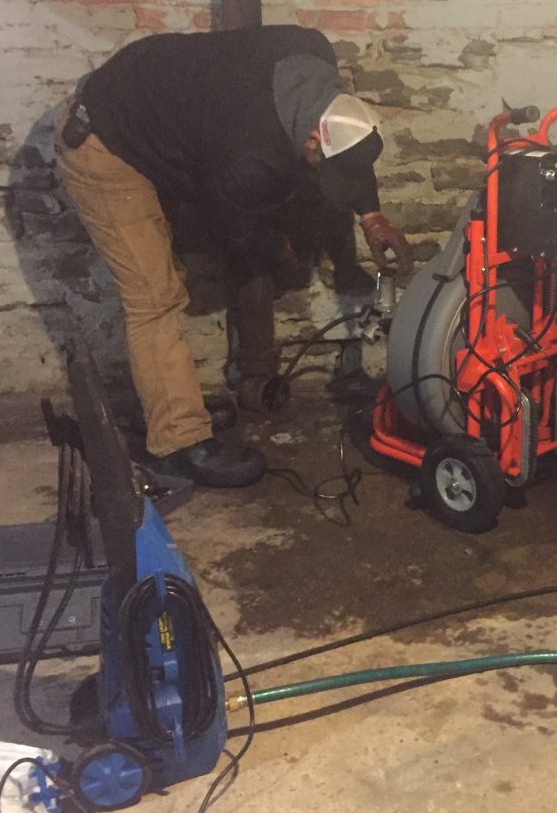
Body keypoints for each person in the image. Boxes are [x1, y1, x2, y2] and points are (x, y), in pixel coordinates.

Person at [53, 25, 414, 488]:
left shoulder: (316, 57)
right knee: (153, 296)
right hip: (106, 142)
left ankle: (171, 404)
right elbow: (231, 228)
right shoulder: (247, 158)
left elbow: (346, 152)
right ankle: (179, 444)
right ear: (311, 138)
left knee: (166, 276)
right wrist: (275, 247)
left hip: (162, 116)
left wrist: (372, 217)